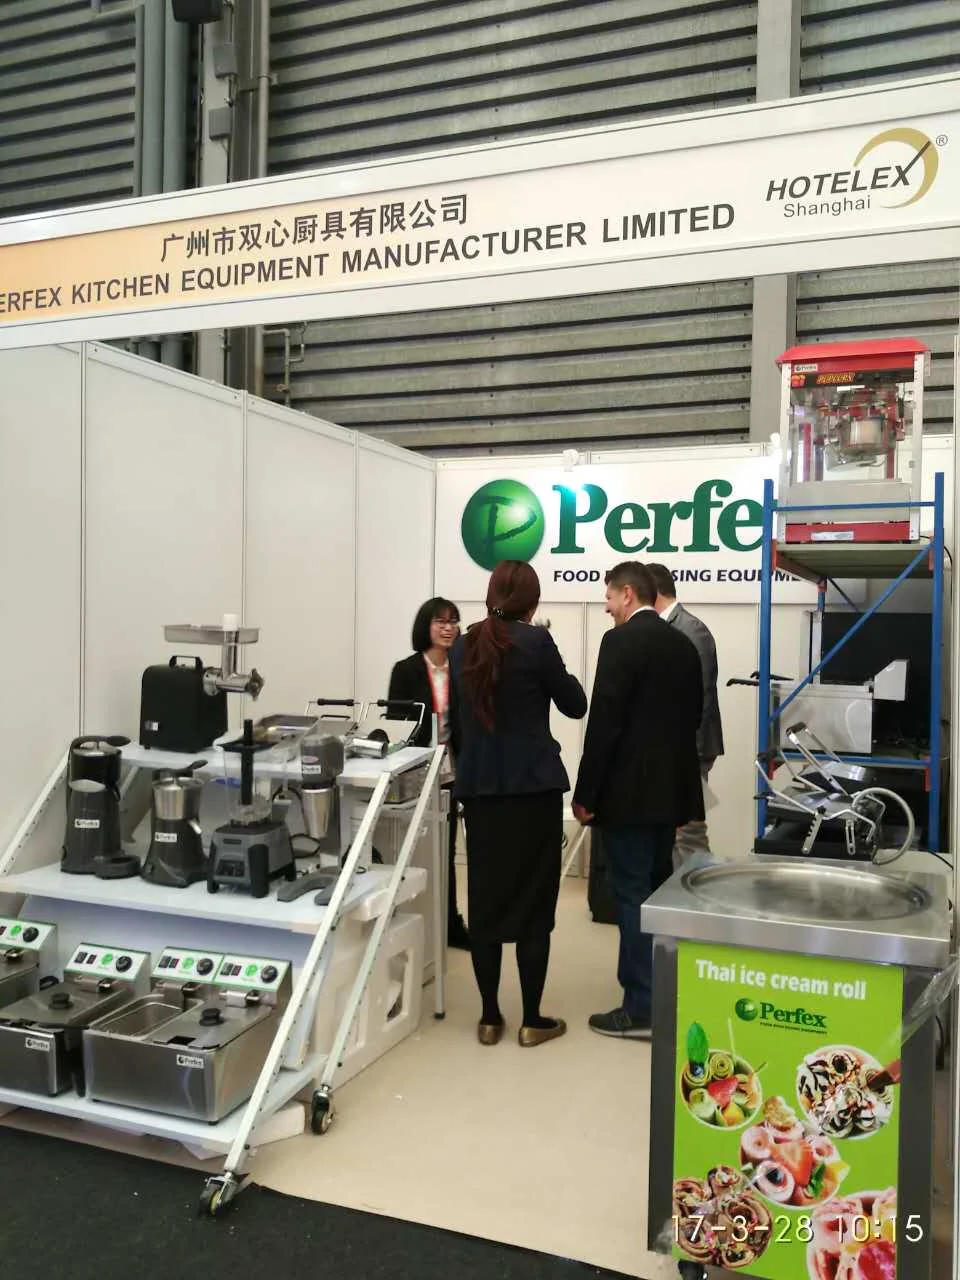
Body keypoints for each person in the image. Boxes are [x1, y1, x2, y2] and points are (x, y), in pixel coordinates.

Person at [450, 561, 587, 1048]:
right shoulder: (536, 642)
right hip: (533, 791)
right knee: (533, 904)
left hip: (481, 791)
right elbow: (575, 703)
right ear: (532, 601)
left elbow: (459, 722)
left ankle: (489, 1018)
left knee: (485, 902)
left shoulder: (464, 644)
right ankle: (532, 1020)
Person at [572, 562, 703, 1039]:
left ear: (628, 594)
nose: (607, 607)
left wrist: (586, 793)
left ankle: (641, 1006)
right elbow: (692, 721)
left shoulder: (620, 642)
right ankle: (663, 993)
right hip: (668, 795)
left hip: (627, 796)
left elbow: (604, 724)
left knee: (630, 894)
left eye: (609, 597)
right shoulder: (683, 645)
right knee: (657, 891)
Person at [388, 597, 470, 950]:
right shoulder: (406, 670)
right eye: (440, 621)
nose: (448, 628)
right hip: (417, 773)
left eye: (453, 621)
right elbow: (396, 725)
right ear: (426, 626)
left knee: (446, 853)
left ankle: (451, 924)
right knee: (411, 852)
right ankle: (409, 923)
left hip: (454, 773)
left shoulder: (463, 668)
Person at [646, 562, 724, 869]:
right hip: (671, 750)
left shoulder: (691, 629)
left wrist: (687, 758)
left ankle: (696, 894)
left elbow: (700, 698)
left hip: (689, 751)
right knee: (672, 835)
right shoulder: (666, 627)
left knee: (688, 835)